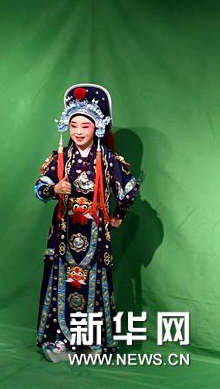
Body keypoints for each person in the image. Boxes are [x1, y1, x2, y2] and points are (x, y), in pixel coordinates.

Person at [33, 84, 140, 362]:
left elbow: (128, 190)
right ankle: (57, 340)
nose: (78, 131)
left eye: (85, 125)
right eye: (73, 125)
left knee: (94, 282)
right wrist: (54, 189)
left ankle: (94, 342)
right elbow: (39, 188)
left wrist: (118, 215)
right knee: (61, 280)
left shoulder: (108, 159)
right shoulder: (60, 158)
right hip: (63, 232)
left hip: (95, 234)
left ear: (98, 128)